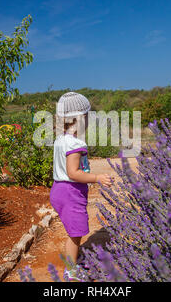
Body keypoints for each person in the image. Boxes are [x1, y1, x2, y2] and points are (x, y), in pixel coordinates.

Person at [50, 92, 112, 281]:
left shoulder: (61, 139)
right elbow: (73, 173)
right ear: (80, 119)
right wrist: (97, 177)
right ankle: (71, 271)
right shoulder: (76, 143)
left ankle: (73, 263)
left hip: (59, 190)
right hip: (70, 192)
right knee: (75, 235)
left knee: (74, 232)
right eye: (88, 117)